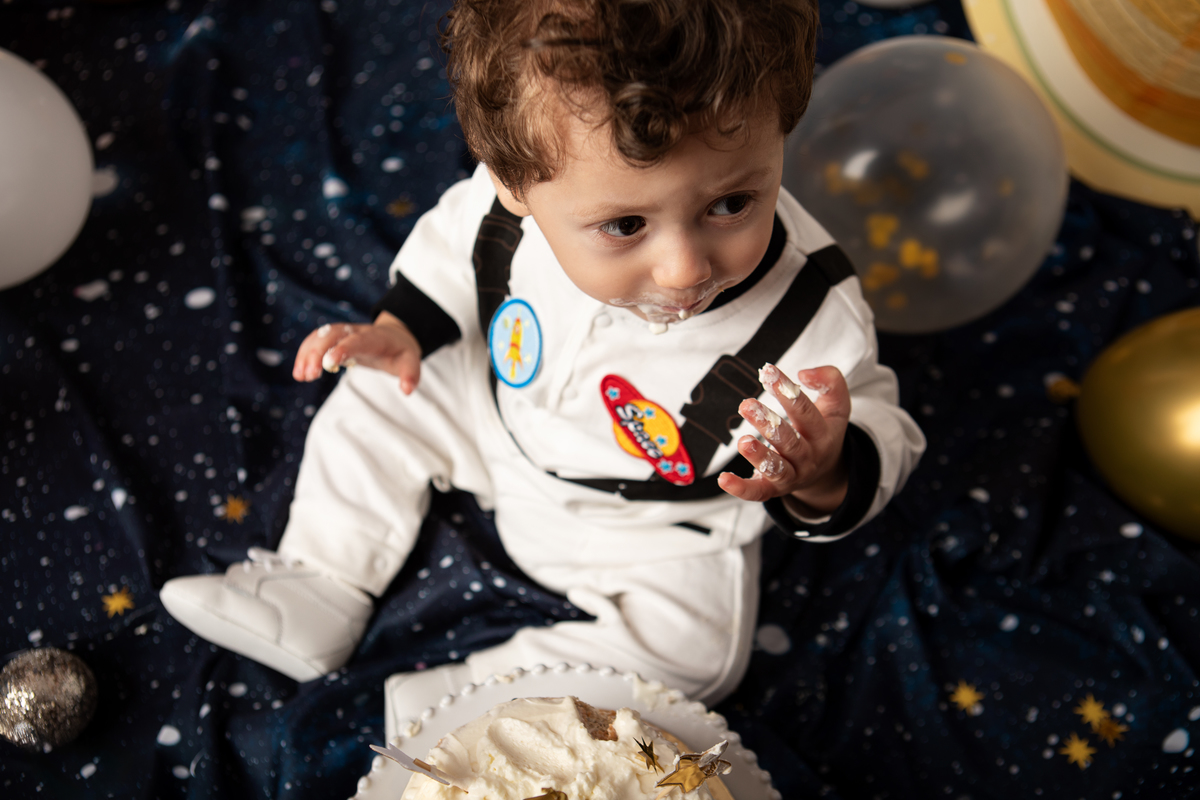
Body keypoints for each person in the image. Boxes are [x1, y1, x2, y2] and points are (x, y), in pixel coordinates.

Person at [160, 0, 925, 730]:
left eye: (731, 205)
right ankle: (320, 579)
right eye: (626, 225)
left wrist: (824, 468)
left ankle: (470, 698)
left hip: (657, 526)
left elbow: (878, 419)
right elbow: (448, 252)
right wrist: (401, 328)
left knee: (699, 653)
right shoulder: (500, 207)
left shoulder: (813, 313)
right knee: (382, 389)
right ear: (514, 183)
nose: (684, 268)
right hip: (496, 417)